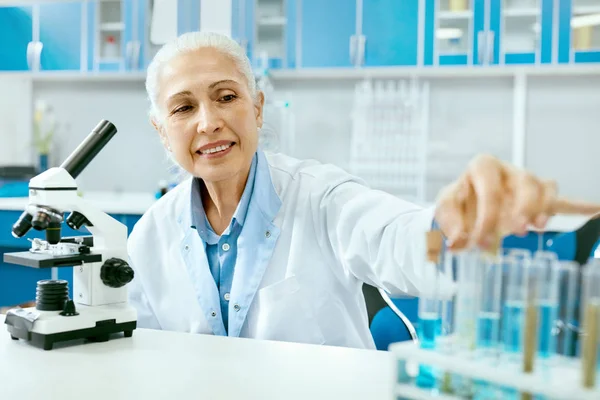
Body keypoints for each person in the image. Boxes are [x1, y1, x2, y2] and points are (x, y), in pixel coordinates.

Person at [127, 31, 596, 349]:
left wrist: (448, 226)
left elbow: (402, 239)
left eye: (226, 97)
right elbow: (143, 356)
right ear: (161, 131)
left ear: (258, 108)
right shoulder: (148, 236)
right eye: (183, 108)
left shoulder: (322, 198)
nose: (209, 122)